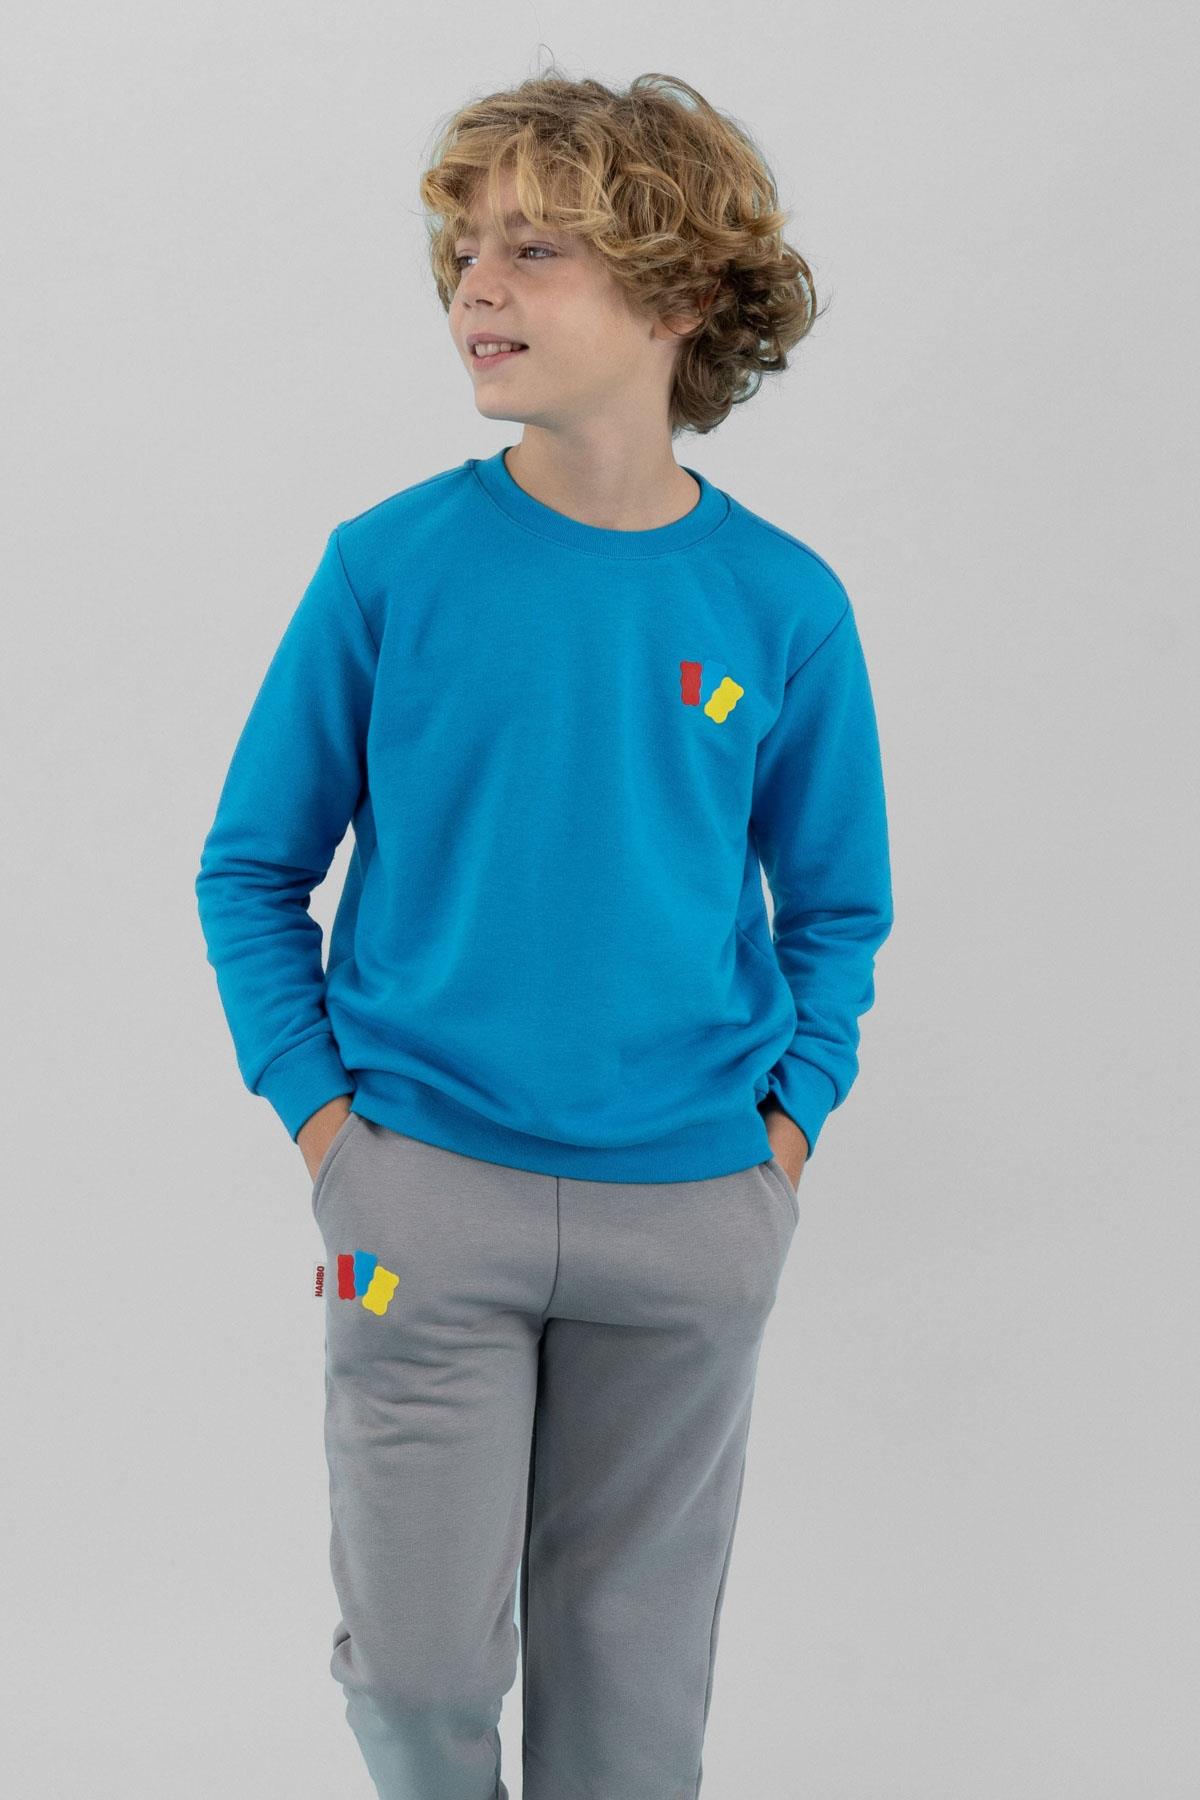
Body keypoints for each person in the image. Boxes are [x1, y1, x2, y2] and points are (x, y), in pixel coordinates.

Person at [195, 67, 894, 1800]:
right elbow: (251, 869)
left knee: (631, 1702)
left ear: (677, 292)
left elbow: (837, 905)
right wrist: (333, 1137)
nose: (476, 288)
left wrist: (785, 1137)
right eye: (463, 252)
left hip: (696, 1213)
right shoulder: (390, 569)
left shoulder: (783, 605)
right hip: (415, 1207)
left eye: (534, 248)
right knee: (416, 1670)